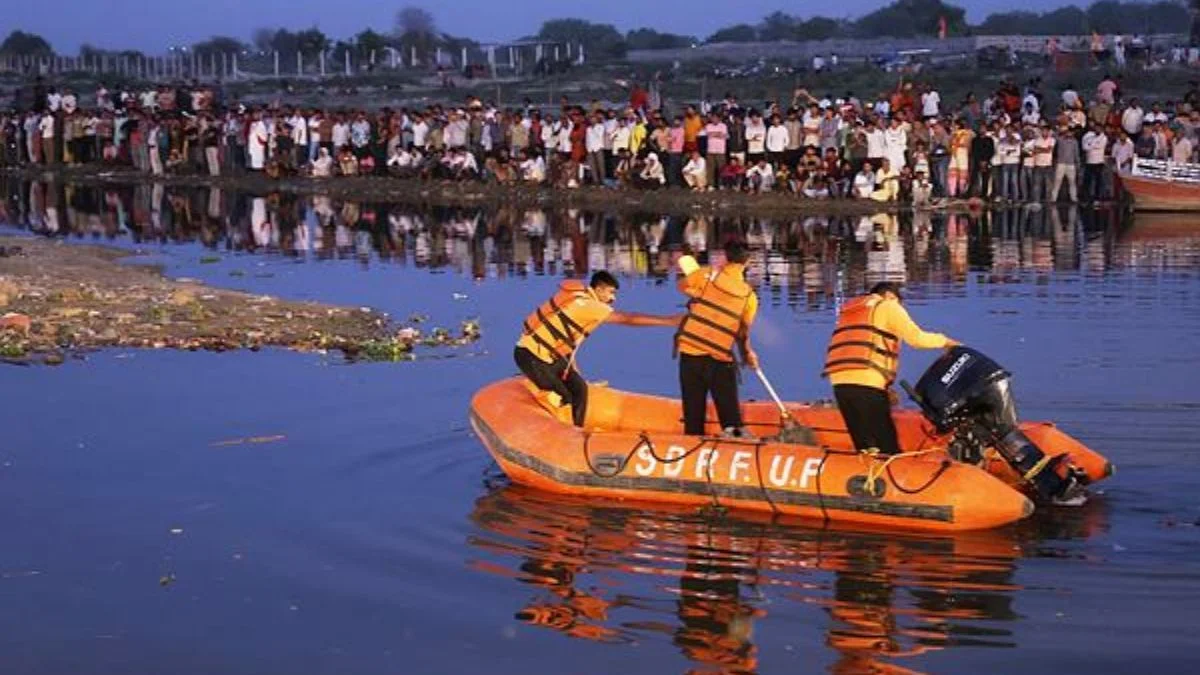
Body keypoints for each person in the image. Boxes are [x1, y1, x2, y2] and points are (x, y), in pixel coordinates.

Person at [515, 271, 679, 427]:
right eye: (610, 292)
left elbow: (567, 344)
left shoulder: (578, 298)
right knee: (564, 396)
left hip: (550, 356)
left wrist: (576, 373)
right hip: (531, 357)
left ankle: (576, 431)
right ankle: (558, 435)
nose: (612, 298)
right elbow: (629, 318)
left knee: (580, 388)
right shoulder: (589, 306)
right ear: (599, 289)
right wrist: (670, 321)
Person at [822, 282, 958, 456]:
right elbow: (917, 338)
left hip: (840, 383)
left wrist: (884, 388)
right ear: (890, 296)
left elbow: (862, 349)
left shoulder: (852, 312)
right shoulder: (888, 307)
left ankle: (867, 476)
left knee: (864, 446)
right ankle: (892, 476)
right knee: (886, 446)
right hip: (868, 381)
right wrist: (947, 342)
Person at [675, 241, 759, 438]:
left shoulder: (706, 275)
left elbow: (682, 286)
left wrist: (699, 295)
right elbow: (742, 332)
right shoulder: (749, 297)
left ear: (726, 257)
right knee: (731, 422)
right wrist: (748, 353)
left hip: (690, 354)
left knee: (693, 418)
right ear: (747, 262)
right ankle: (733, 447)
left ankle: (692, 451)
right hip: (719, 360)